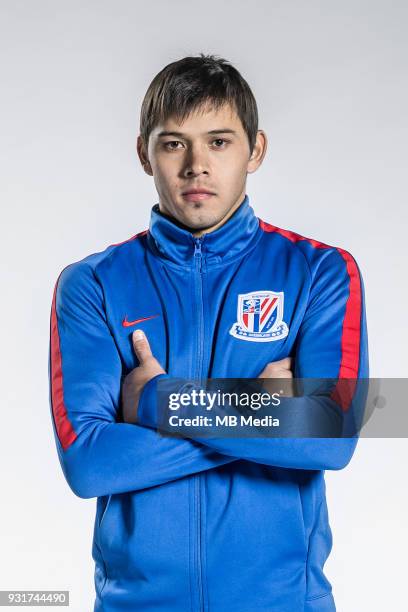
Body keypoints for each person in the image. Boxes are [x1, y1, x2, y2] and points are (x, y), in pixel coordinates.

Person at [48, 53, 369, 612]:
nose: (197, 165)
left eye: (219, 142)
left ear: (256, 149)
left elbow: (335, 435)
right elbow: (90, 463)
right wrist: (264, 415)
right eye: (174, 143)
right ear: (144, 154)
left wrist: (157, 401)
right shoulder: (91, 284)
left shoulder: (321, 271)